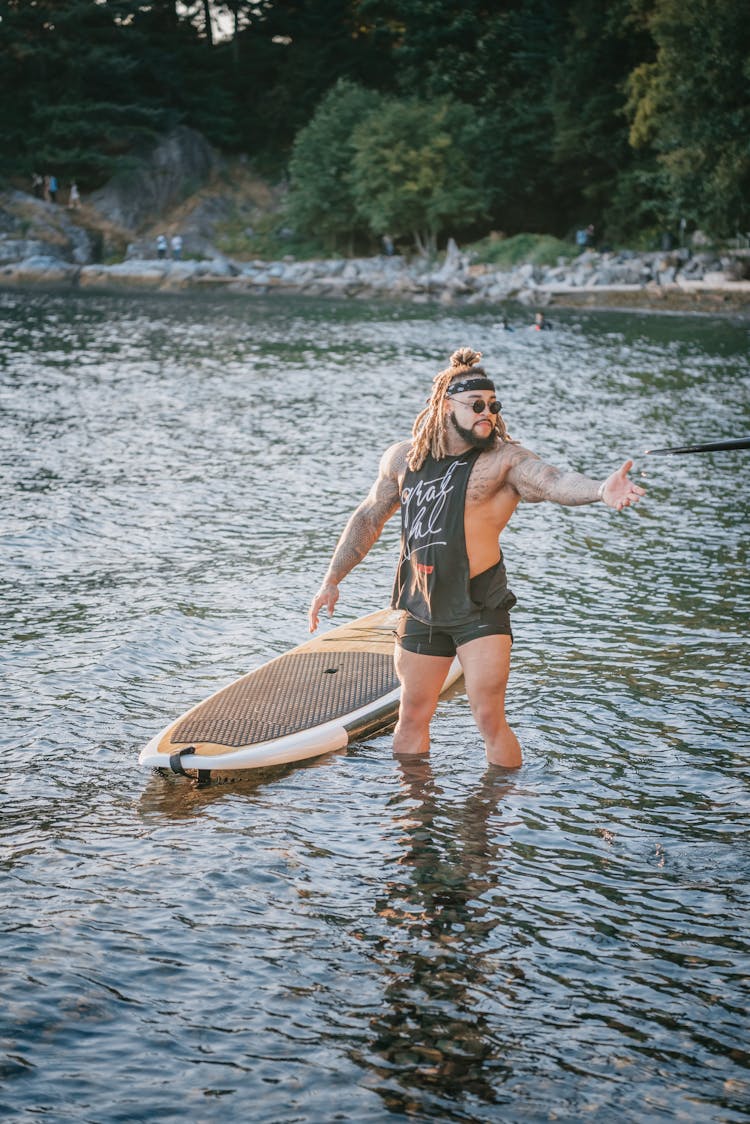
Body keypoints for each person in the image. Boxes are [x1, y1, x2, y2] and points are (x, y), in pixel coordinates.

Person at [308, 347, 645, 768]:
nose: (487, 412)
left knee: (488, 718)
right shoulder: (405, 459)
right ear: (444, 406)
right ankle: (416, 816)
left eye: (493, 405)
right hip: (422, 604)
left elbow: (552, 481)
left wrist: (599, 490)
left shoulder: (503, 462)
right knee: (412, 713)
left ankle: (494, 812)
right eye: (476, 405)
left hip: (478, 608)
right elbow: (368, 517)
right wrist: (331, 579)